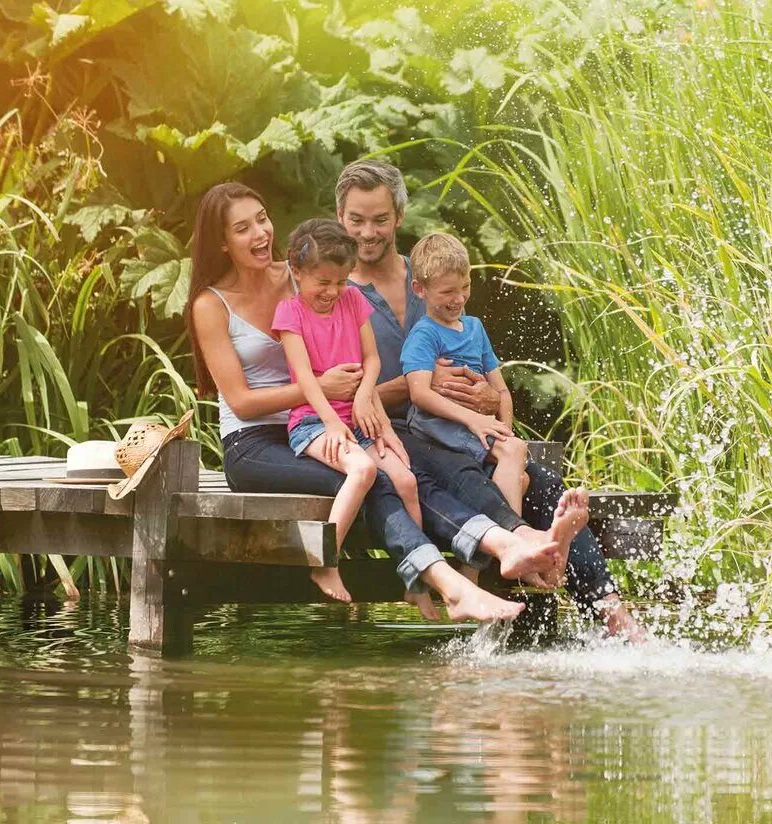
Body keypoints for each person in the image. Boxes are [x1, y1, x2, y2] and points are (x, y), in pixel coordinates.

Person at [184, 182, 579, 623]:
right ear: (221, 241)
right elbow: (239, 402)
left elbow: (354, 327)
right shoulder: (211, 304)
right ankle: (451, 583)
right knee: (373, 481)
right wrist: (323, 387)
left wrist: (374, 393)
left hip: (331, 419)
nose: (259, 233)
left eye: (261, 219)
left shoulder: (300, 273)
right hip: (257, 443)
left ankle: (507, 545)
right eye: (242, 228)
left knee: (409, 473)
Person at [335, 159, 644, 639]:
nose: (368, 232)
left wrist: (482, 393)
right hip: (389, 436)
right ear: (340, 217)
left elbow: (467, 352)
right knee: (463, 477)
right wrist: (420, 385)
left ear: (398, 215)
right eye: (357, 219)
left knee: (543, 484)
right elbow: (339, 393)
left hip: (453, 426)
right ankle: (523, 549)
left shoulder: (434, 273)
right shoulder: (333, 293)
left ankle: (614, 617)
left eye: (379, 219)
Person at [272, 218, 423, 603]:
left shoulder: (353, 299)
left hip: (355, 416)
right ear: (296, 271)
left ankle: (415, 575)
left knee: (405, 480)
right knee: (364, 468)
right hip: (312, 422)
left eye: (340, 281)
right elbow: (306, 379)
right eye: (322, 282)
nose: (332, 291)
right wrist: (330, 422)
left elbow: (371, 360)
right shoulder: (290, 314)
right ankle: (323, 561)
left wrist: (362, 397)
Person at [401, 232, 530, 515]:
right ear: (419, 289)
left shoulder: (475, 328)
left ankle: (482, 559)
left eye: (466, 286)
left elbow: (501, 392)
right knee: (515, 452)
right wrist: (474, 420)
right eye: (447, 292)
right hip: (439, 427)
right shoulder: (424, 335)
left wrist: (504, 429)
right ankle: (515, 540)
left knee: (521, 476)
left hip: (473, 426)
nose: (459, 298)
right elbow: (419, 393)